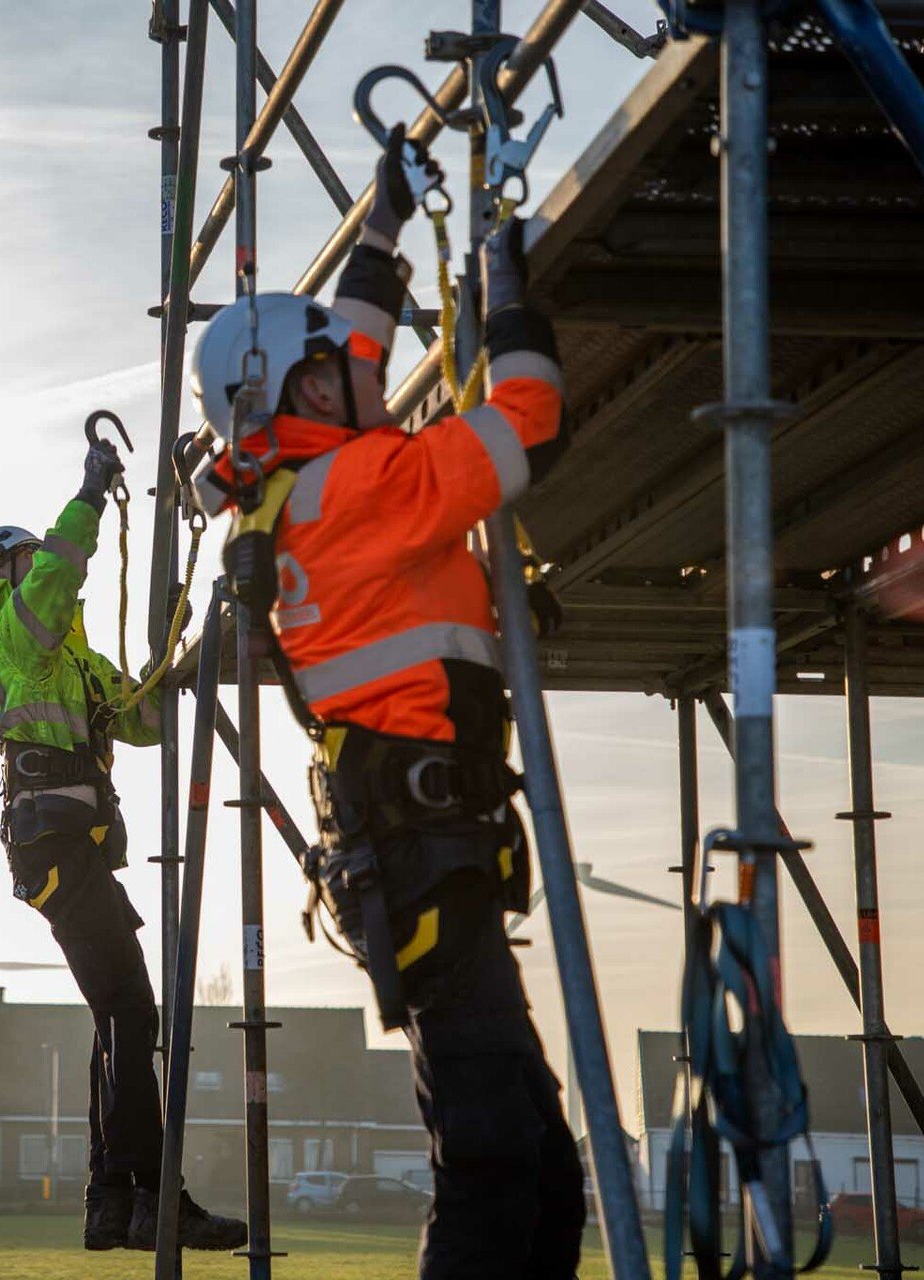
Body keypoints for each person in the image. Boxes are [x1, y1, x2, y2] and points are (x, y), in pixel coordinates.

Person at [186, 126, 584, 1279]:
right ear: (309, 388)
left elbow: (341, 353)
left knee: (534, 1159)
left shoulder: (288, 489)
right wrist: (509, 298)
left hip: (419, 858)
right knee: (498, 1156)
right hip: (425, 859)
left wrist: (384, 231)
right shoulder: (361, 485)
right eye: (348, 366)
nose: (379, 368)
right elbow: (525, 418)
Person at [0, 441, 246, 1253]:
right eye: (22, 558)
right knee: (131, 1011)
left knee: (117, 1017)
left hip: (72, 852)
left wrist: (179, 666)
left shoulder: (74, 662)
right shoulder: (11, 634)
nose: (39, 565)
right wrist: (89, 491)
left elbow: (144, 721)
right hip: (53, 846)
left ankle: (112, 1204)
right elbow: (56, 580)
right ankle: (153, 1197)